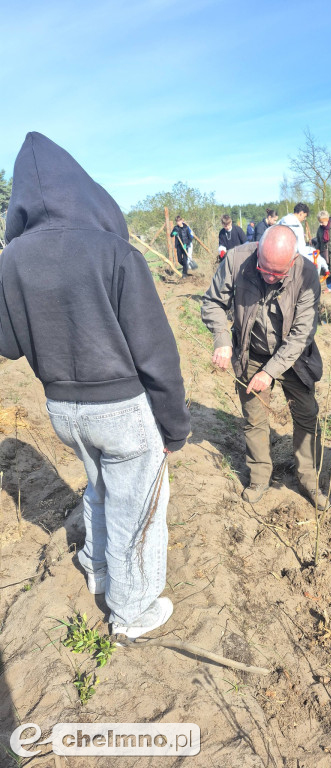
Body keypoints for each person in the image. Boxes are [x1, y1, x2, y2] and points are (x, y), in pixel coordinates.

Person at [0, 132, 190, 638]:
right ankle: (132, 613)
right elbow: (155, 351)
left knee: (100, 486)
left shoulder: (12, 258)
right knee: (139, 504)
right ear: (81, 189)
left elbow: (9, 344)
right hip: (121, 409)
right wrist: (174, 427)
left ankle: (97, 568)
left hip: (63, 410)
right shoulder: (111, 250)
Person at [201, 225, 327, 509]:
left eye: (277, 273)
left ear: (292, 261)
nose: (268, 276)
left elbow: (301, 334)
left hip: (293, 358)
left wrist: (270, 372)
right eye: (264, 268)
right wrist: (222, 340)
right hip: (251, 351)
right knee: (254, 417)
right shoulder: (236, 260)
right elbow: (212, 303)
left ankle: (309, 479)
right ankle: (259, 477)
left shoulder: (307, 274)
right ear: (258, 250)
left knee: (307, 415)